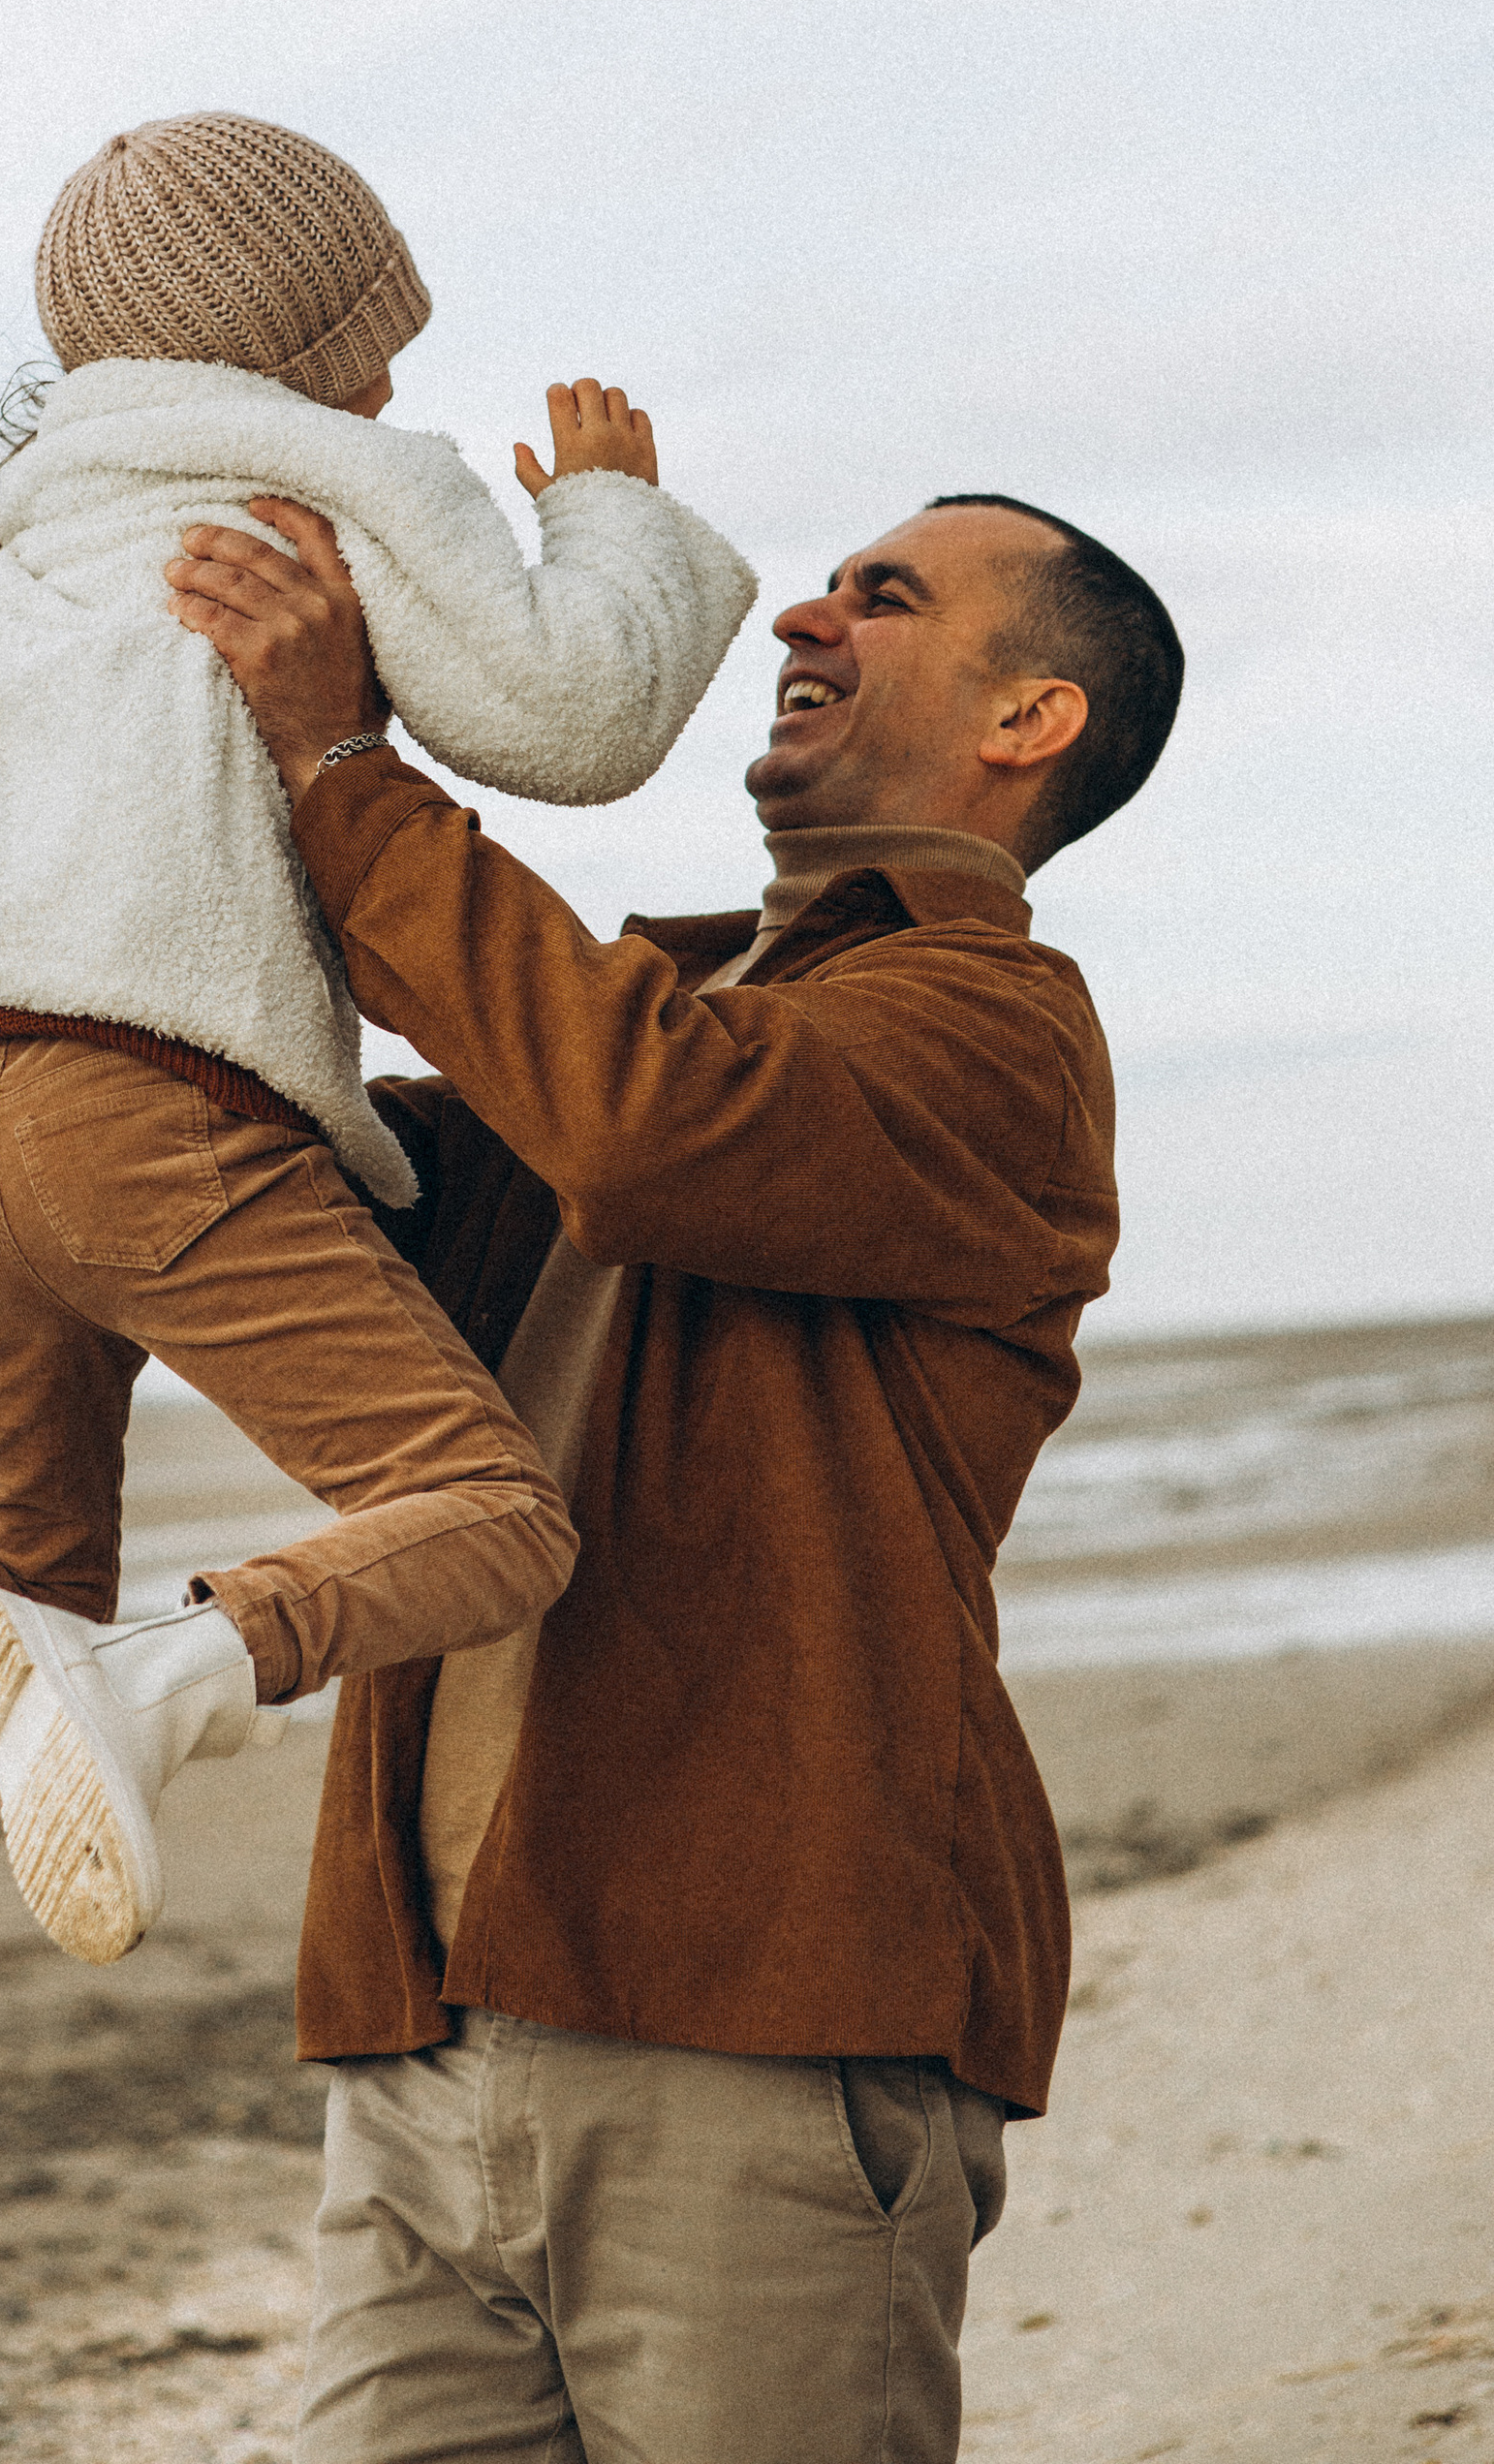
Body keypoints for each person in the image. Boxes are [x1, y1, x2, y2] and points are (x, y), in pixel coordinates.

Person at [0, 114, 754, 1975]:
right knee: (491, 1516)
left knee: (26, 1549)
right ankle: (160, 1682)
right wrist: (605, 516)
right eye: (376, 329)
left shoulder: (29, 547)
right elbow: (576, 719)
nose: (399, 370)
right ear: (299, 345)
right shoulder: (326, 492)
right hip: (152, 1111)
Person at [160, 480, 1184, 2464]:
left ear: (1023, 721)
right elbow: (298, 1214)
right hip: (431, 2009)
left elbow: (648, 1130)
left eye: (878, 598)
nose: (798, 615)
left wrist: (342, 760)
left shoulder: (989, 1032)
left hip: (759, 2011)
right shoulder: (663, 1025)